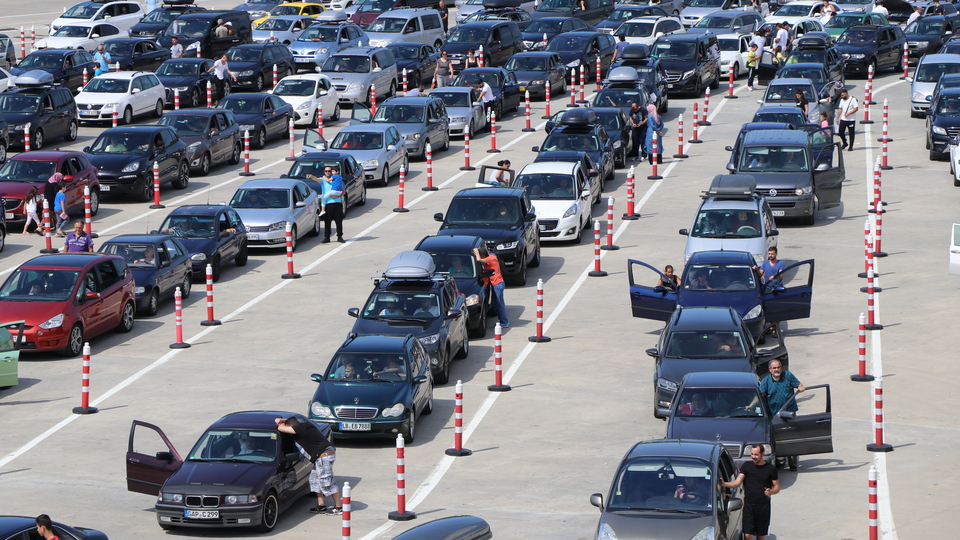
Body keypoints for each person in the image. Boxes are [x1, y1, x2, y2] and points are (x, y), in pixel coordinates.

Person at [274, 416, 341, 515]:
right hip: (322, 457)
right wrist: (283, 420)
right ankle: (321, 505)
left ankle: (339, 507)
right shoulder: (304, 425)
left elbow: (280, 428)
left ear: (291, 427)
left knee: (327, 481)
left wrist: (280, 422)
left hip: (323, 456)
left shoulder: (300, 429)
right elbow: (289, 421)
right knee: (314, 480)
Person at [721, 445, 780, 540]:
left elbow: (777, 487)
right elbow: (737, 483)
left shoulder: (770, 469)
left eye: (756, 454)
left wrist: (771, 491)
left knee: (760, 536)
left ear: (762, 454)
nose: (753, 456)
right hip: (749, 505)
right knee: (747, 535)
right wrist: (724, 484)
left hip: (763, 506)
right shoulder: (747, 466)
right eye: (752, 454)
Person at [760, 360, 804, 469]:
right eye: (774, 368)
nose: (777, 370)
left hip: (789, 413)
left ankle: (793, 463)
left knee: (791, 436)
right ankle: (781, 461)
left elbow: (799, 384)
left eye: (778, 367)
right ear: (770, 369)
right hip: (774, 414)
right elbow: (760, 395)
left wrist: (800, 387)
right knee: (778, 438)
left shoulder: (788, 375)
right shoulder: (766, 381)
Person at [474, 245, 508, 328]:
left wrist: (476, 252)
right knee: (494, 304)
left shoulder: (490, 259)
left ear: (483, 256)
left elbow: (478, 259)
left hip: (497, 284)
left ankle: (504, 322)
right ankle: (503, 320)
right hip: (495, 284)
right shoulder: (491, 256)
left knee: (499, 303)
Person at [308, 166, 344, 243]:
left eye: (329, 171)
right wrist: (311, 176)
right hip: (328, 204)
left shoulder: (337, 179)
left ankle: (340, 236)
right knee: (327, 221)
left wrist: (340, 197)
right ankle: (327, 237)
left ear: (332, 172)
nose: (328, 172)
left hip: (338, 203)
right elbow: (316, 179)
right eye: (326, 171)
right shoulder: (323, 180)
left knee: (339, 221)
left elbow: (343, 190)